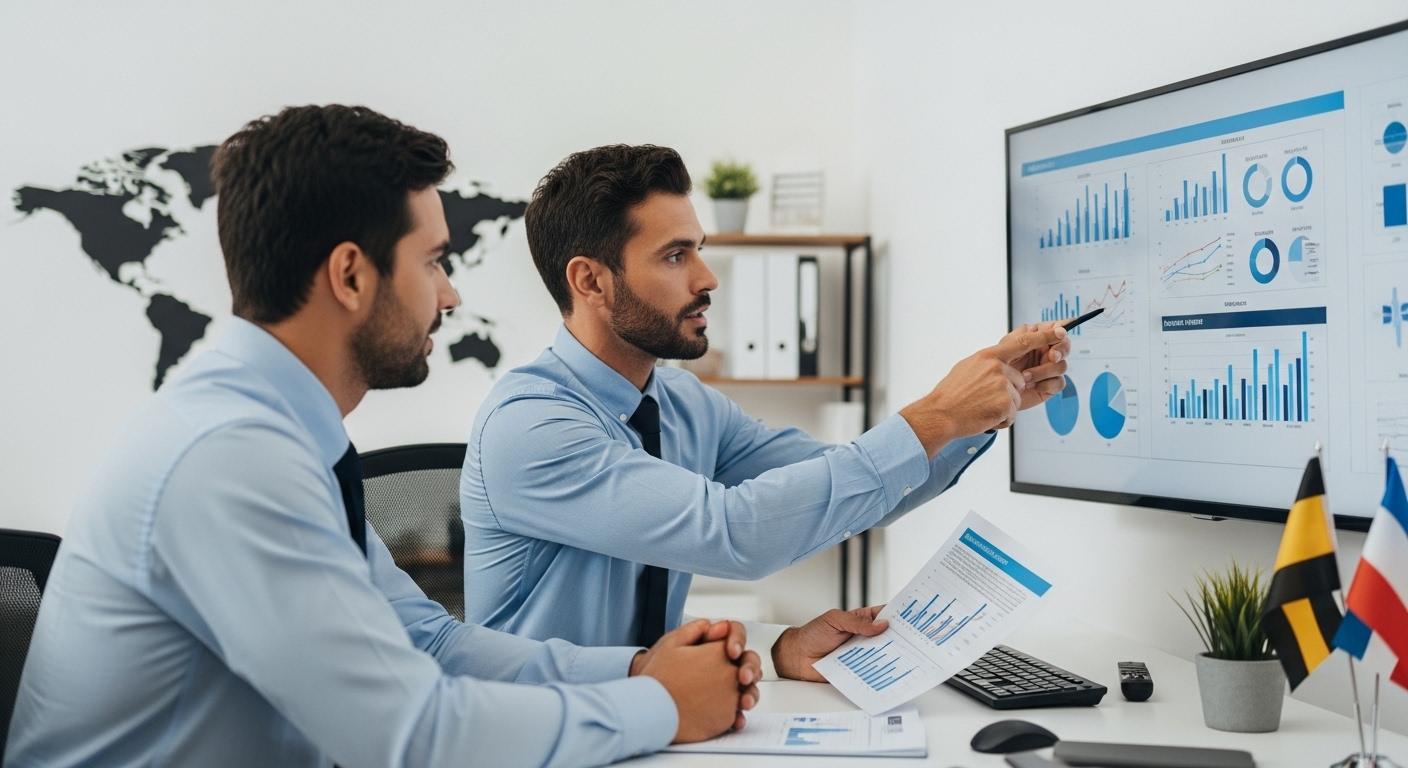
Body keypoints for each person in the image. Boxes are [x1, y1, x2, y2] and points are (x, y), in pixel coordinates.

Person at [6, 108, 764, 768]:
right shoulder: (228, 459)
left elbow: (427, 642)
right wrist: (659, 705)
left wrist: (636, 671)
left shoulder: (280, 434)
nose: (451, 292)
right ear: (350, 276)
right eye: (433, 261)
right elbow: (409, 737)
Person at [459, 144, 1073, 677]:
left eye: (699, 249)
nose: (707, 277)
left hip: (654, 721)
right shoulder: (532, 424)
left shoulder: (683, 404)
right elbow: (732, 534)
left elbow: (862, 485)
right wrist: (936, 414)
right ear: (590, 282)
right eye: (675, 256)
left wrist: (981, 413)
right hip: (542, 738)